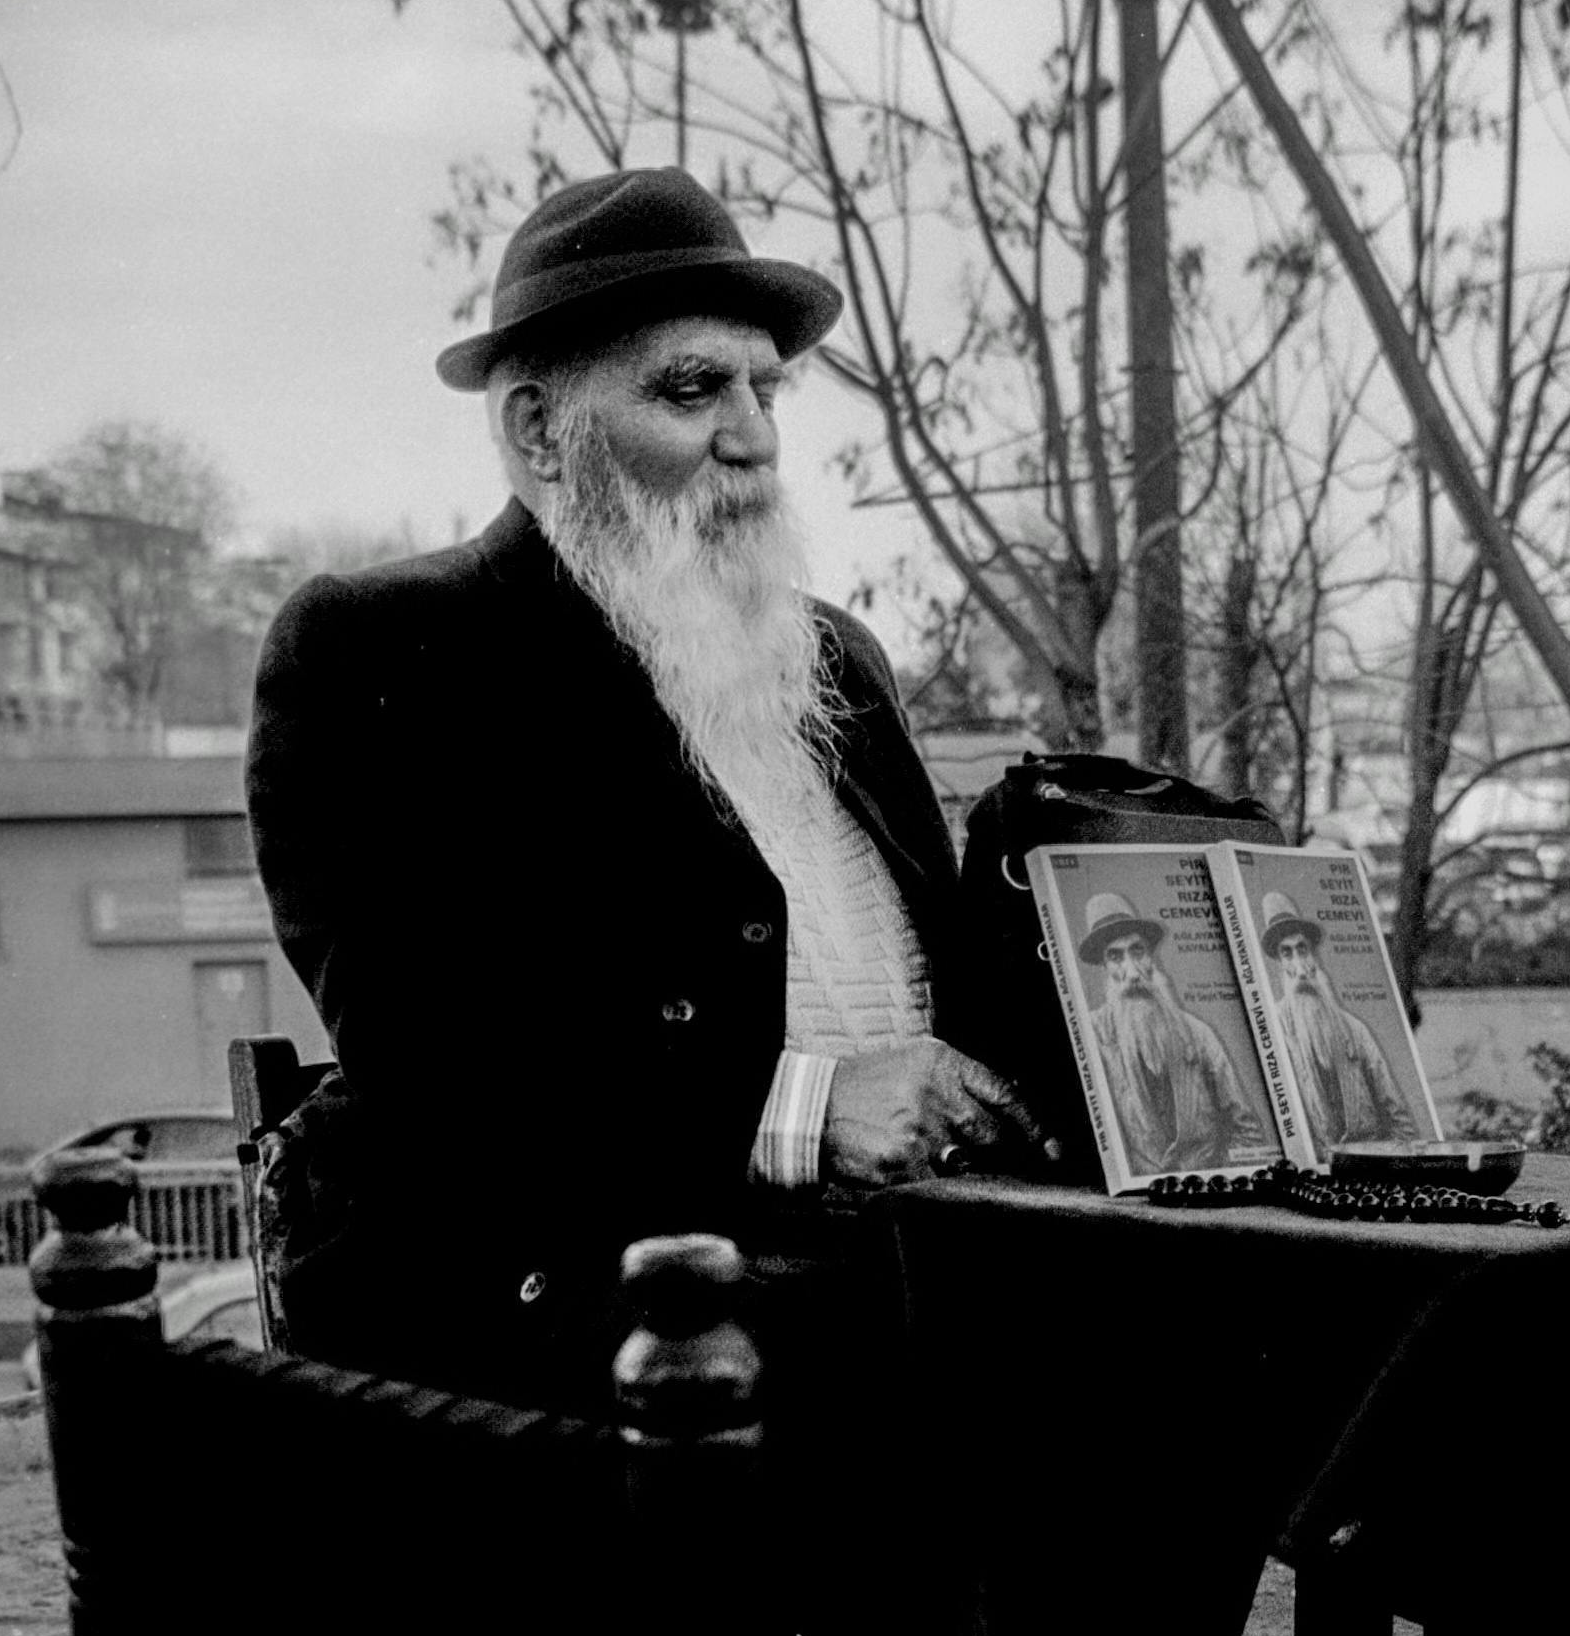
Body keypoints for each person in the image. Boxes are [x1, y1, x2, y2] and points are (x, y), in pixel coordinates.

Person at [246, 166, 1053, 1407]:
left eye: (763, 387)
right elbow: (435, 1053)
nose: (754, 436)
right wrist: (806, 1109)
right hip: (581, 1308)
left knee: (1214, 1352)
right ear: (535, 432)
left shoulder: (836, 657)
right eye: (690, 388)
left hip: (896, 1269)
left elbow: (945, 976)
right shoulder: (387, 645)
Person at [1076, 894, 1260, 1175]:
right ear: (1104, 966)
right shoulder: (1090, 1037)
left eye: (1138, 951)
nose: (1132, 973)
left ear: (1152, 956)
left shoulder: (1199, 1035)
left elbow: (1246, 1131)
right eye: (1115, 956)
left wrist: (1216, 1180)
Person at [1254, 890, 1416, 1148]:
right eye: (1287, 953)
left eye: (1302, 949)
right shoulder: (1270, 1032)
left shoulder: (1354, 1029)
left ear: (1314, 956)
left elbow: (1397, 1116)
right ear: (1280, 964)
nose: (1299, 966)